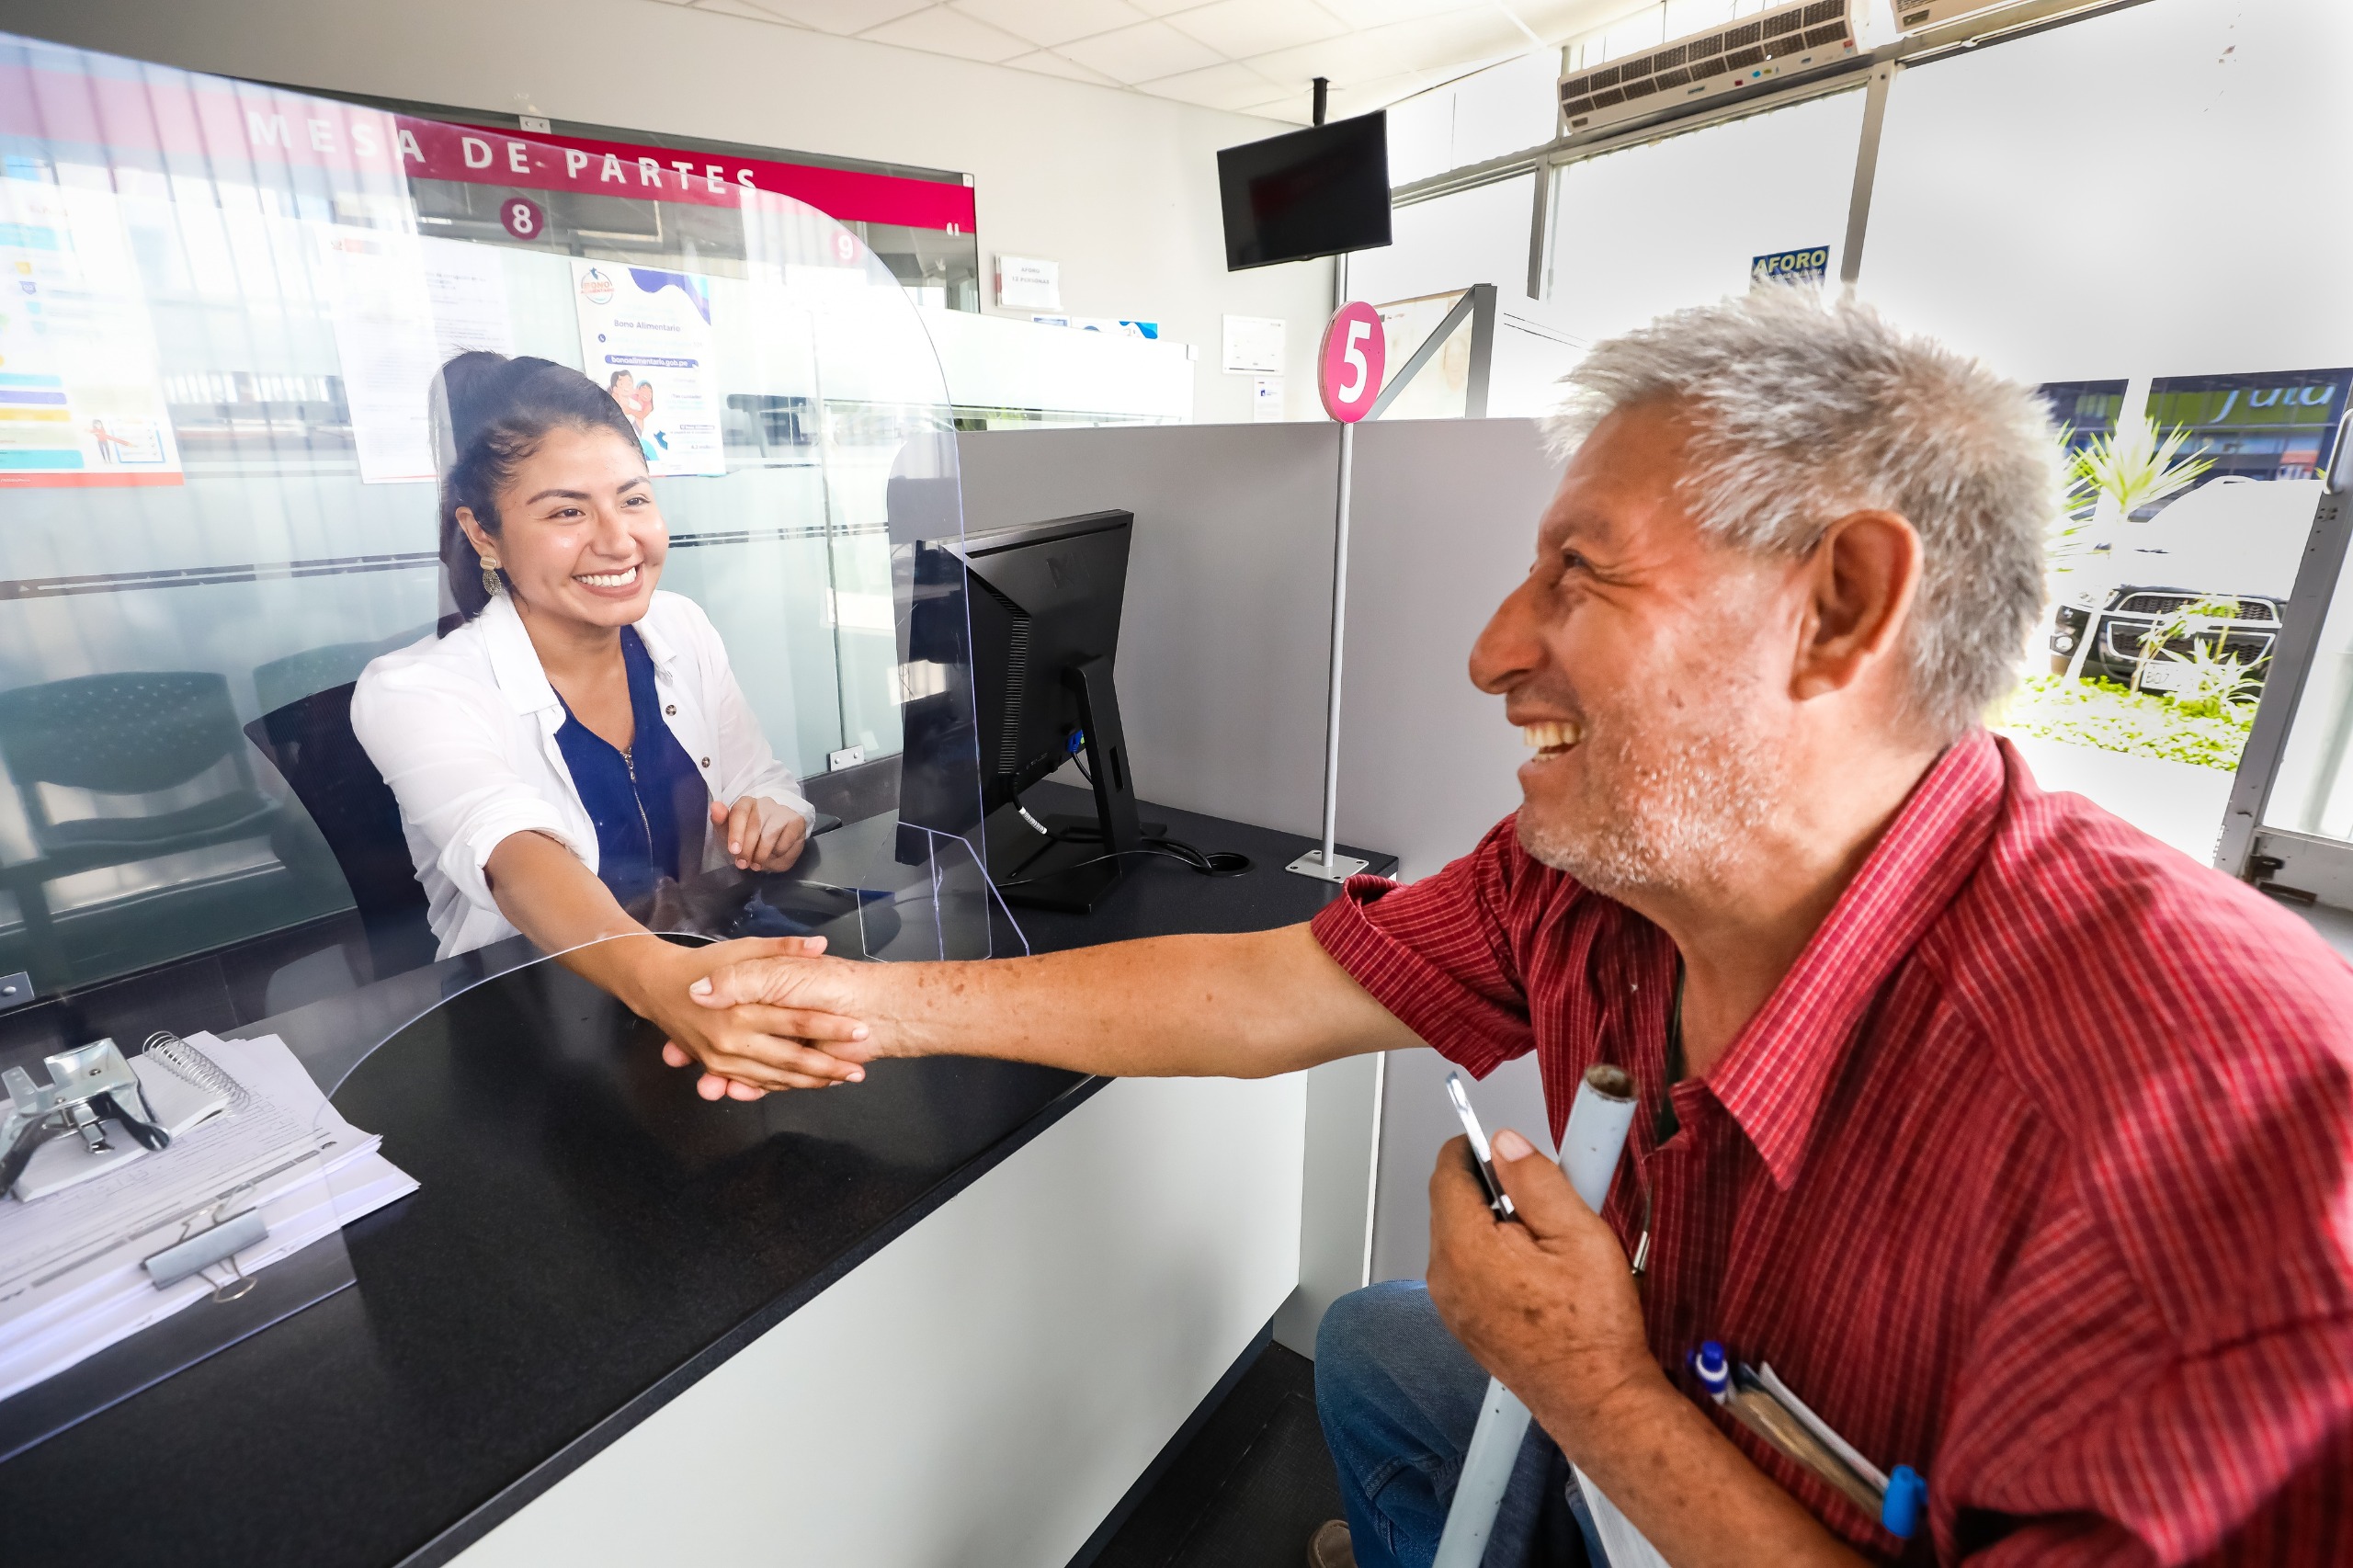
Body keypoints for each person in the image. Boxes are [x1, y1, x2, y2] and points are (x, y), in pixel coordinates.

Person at [668, 287, 2353, 1563]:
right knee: (1395, 1345)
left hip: (1672, 1413)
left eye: (1579, 577)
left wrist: (1593, 1385)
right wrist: (878, 1008)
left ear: (1840, 606)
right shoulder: (1599, 875)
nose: (1489, 650)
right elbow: (1264, 992)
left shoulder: (2233, 1139)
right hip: (1706, 1419)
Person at [354, 352, 864, 1099]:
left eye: (633, 499)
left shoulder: (680, 628)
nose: (618, 540)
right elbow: (515, 854)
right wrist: (662, 981)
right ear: (484, 533)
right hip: (539, 1044)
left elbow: (761, 778)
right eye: (566, 512)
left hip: (700, 983)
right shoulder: (416, 689)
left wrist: (774, 816)